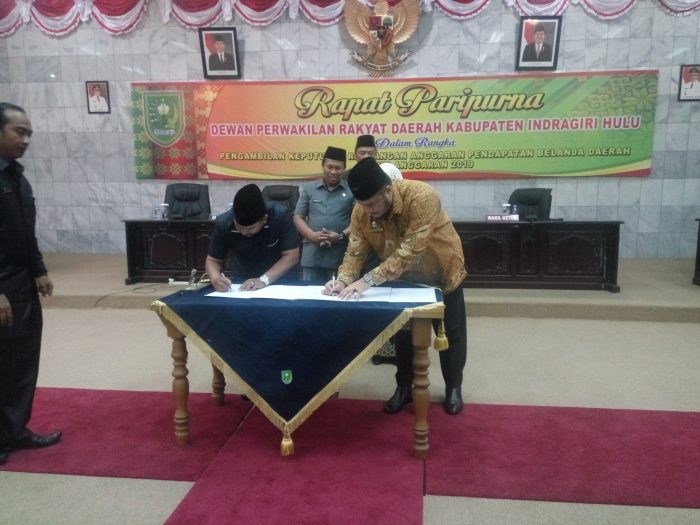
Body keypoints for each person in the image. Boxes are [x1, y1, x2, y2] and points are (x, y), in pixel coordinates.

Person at [324, 157, 468, 415]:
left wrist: (366, 281)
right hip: (403, 279)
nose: (367, 210)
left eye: (371, 203)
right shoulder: (362, 211)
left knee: (450, 334)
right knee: (402, 335)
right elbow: (355, 251)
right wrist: (343, 279)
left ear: (388, 191)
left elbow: (410, 251)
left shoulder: (421, 197)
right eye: (362, 204)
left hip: (442, 271)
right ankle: (404, 388)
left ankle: (453, 387)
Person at [0, 103, 61, 465]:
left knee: (22, 360)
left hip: (22, 283)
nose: (25, 140)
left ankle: (14, 430)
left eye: (29, 134)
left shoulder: (16, 177)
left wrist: (39, 270)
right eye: (18, 132)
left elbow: (26, 232)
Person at [205, 183, 300, 292]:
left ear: (264, 219)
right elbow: (213, 260)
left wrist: (263, 280)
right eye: (238, 227)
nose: (244, 232)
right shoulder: (224, 222)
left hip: (281, 281)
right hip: (243, 281)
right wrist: (215, 278)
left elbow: (291, 257)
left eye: (250, 228)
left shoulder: (281, 216)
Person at [293, 146, 354, 282]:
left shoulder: (351, 191)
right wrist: (312, 236)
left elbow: (358, 222)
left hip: (339, 254)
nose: (333, 172)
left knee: (336, 292)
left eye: (338, 168)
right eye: (329, 167)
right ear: (323, 166)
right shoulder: (309, 188)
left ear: (344, 168)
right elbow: (298, 217)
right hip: (312, 253)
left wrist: (340, 236)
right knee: (309, 293)